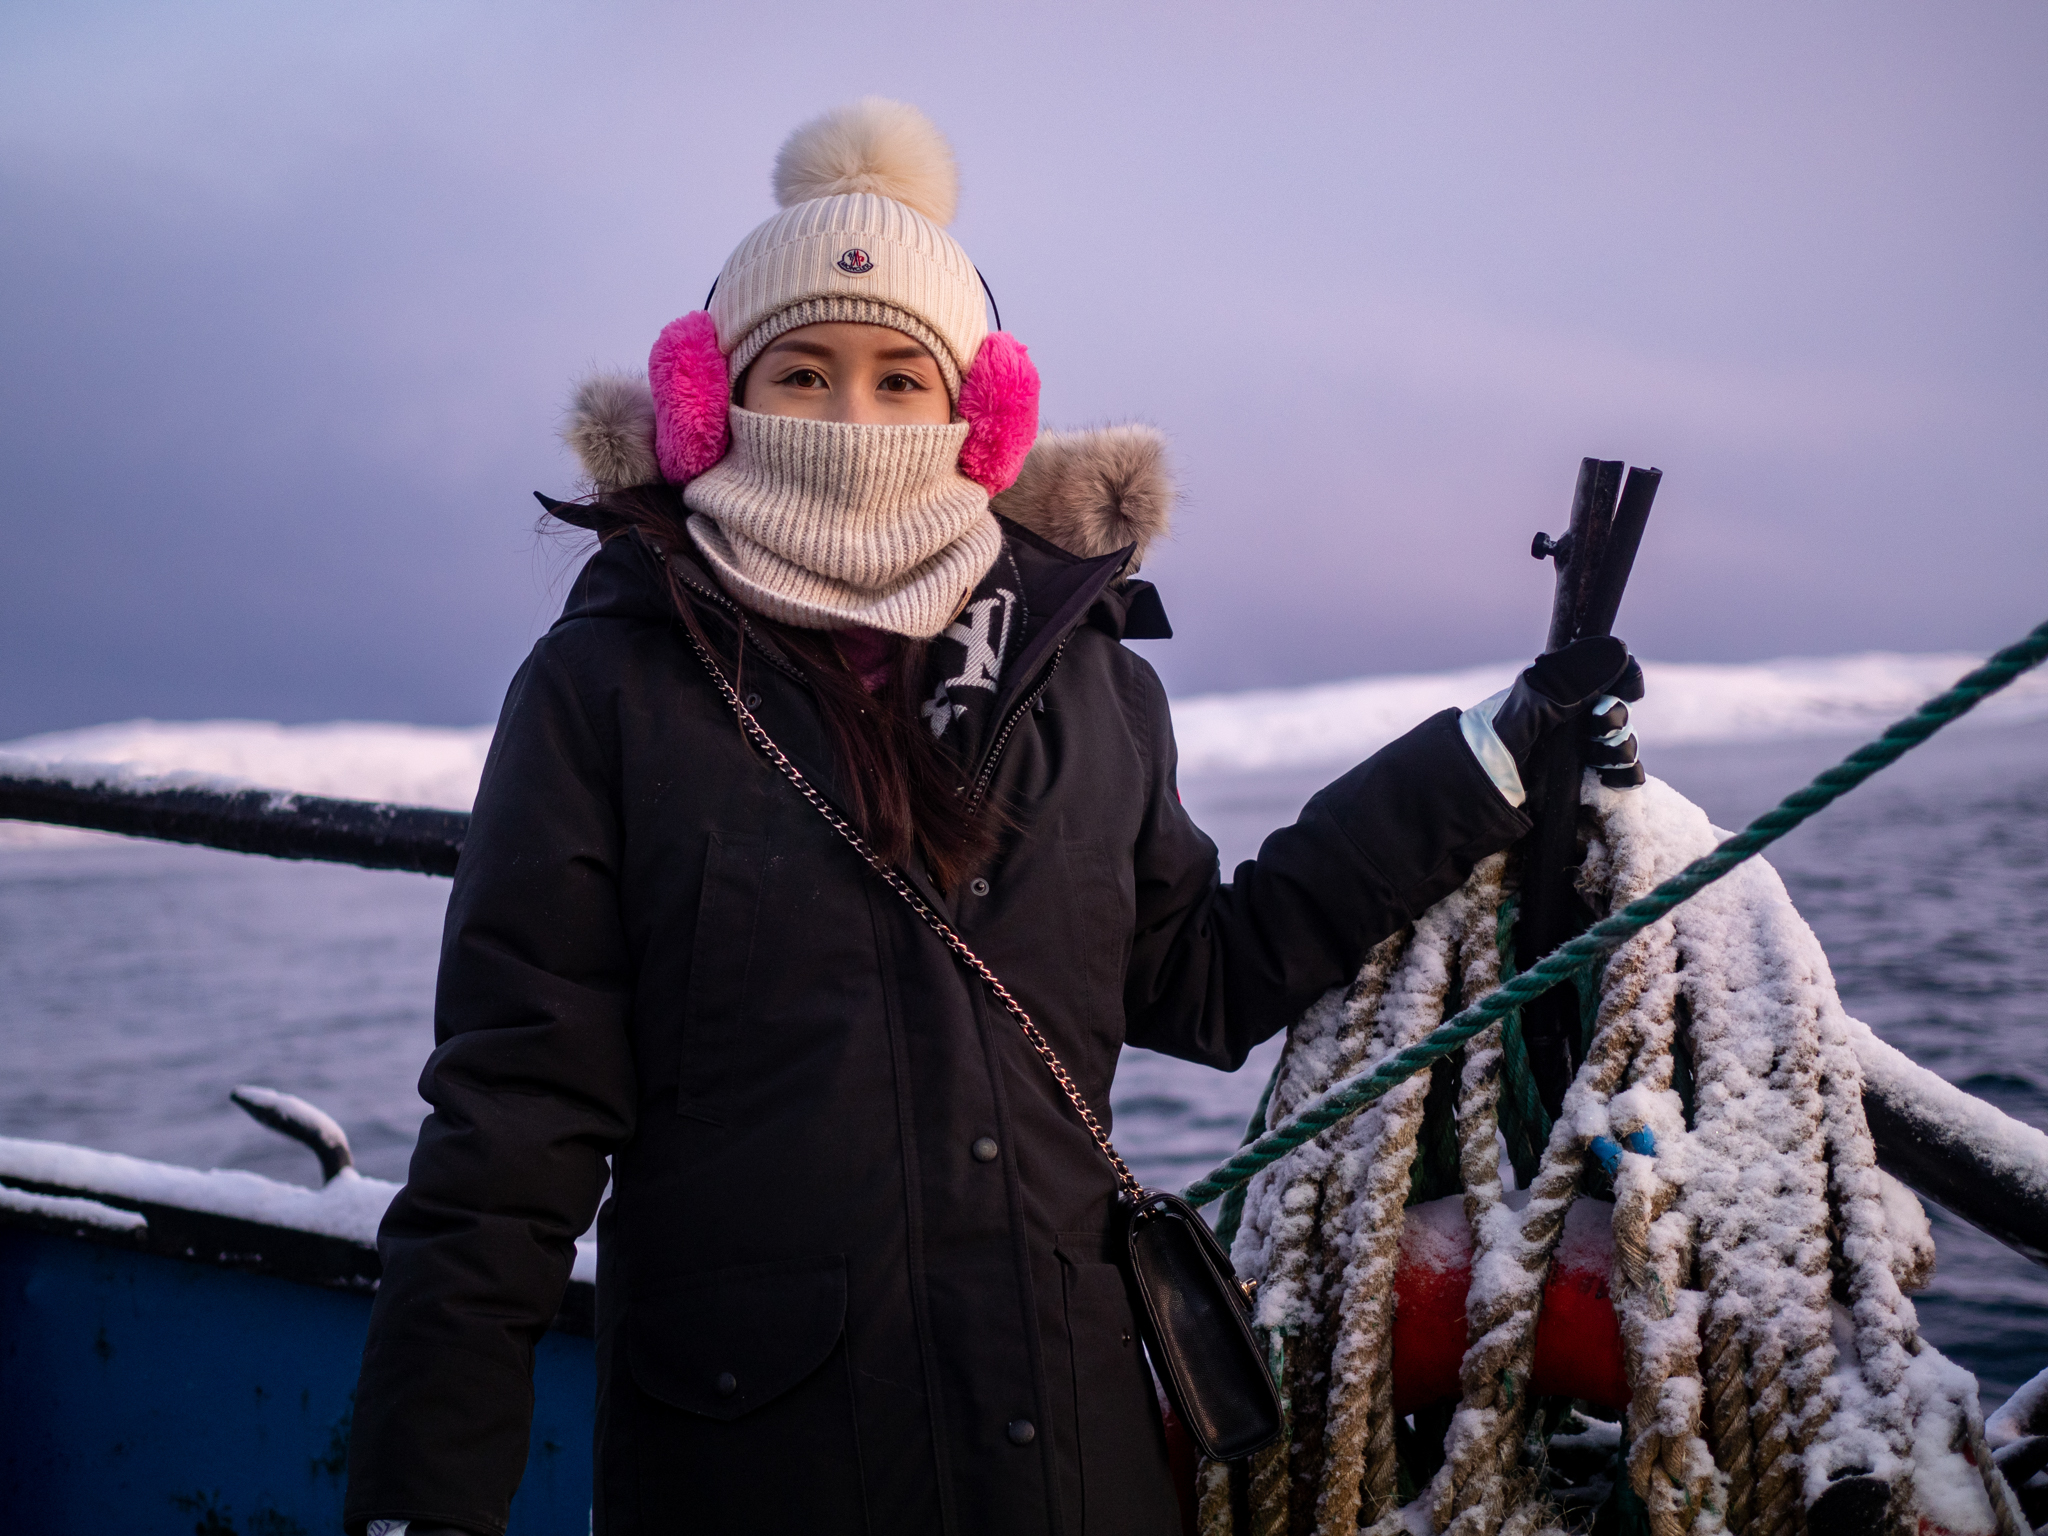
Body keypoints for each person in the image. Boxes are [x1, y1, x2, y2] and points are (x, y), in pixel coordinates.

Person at [343, 98, 1642, 1536]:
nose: (852, 419)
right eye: (806, 372)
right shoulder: (610, 686)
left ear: (980, 414)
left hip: (1067, 1453)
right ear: (713, 402)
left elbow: (1203, 976)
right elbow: (511, 1125)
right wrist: (426, 1500)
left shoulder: (1081, 676)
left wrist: (1481, 767)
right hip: (756, 1465)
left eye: (903, 379)